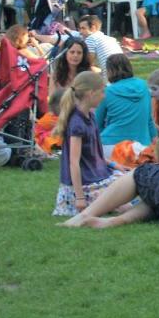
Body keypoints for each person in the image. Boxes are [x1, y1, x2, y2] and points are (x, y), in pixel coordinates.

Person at [52, 71, 121, 216]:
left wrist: (114, 165)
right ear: (91, 93)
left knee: (131, 181)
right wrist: (80, 198)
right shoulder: (77, 123)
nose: (104, 96)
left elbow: (94, 154)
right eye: (102, 92)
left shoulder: (91, 116)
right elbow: (74, 163)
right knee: (126, 203)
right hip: (85, 185)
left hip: (97, 176)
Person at [95, 54, 157, 158]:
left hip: (112, 145)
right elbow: (149, 120)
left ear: (109, 71)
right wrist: (154, 142)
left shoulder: (107, 92)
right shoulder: (144, 86)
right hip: (141, 146)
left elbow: (96, 123)